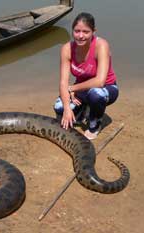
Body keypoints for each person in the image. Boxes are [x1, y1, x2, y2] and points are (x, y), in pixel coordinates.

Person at [53, 12, 119, 140]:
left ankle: (95, 124)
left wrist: (73, 88)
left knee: (96, 94)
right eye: (77, 31)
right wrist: (67, 108)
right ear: (72, 31)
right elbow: (63, 83)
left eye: (86, 31)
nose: (80, 36)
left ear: (93, 31)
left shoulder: (101, 45)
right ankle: (83, 110)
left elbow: (99, 82)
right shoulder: (67, 49)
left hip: (106, 88)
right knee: (59, 108)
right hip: (82, 90)